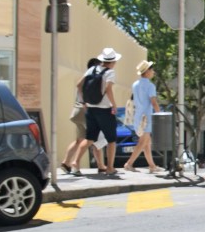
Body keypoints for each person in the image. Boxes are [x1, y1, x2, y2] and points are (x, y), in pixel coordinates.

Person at [60, 57, 107, 174]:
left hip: (77, 111)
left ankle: (66, 163)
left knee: (80, 140)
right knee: (95, 139)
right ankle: (97, 166)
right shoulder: (91, 79)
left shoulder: (85, 77)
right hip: (85, 111)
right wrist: (86, 103)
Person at [82, 47, 121, 175]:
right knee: (111, 140)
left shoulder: (91, 70)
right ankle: (110, 167)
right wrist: (114, 105)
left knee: (89, 138)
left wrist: (85, 101)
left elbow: (79, 85)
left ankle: (74, 162)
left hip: (90, 108)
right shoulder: (110, 72)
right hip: (104, 109)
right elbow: (109, 89)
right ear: (113, 61)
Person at [123, 60, 162, 174]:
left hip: (138, 116)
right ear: (147, 71)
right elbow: (153, 102)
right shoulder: (150, 86)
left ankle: (152, 166)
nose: (153, 72)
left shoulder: (135, 84)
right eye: (152, 69)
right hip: (147, 117)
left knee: (147, 143)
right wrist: (159, 114)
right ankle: (129, 163)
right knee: (143, 142)